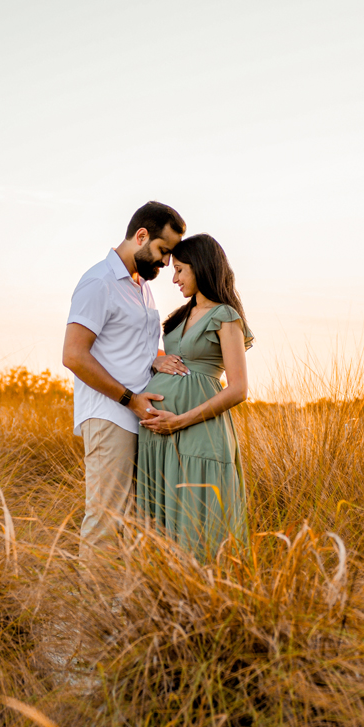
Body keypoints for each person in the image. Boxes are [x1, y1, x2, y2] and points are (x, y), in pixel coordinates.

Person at [62, 201, 189, 558]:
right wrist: (129, 399)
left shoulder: (141, 286)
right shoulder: (99, 282)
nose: (166, 263)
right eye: (163, 251)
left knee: (132, 522)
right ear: (141, 236)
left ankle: (120, 609)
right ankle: (91, 612)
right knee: (106, 519)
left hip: (137, 417)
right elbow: (73, 355)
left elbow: (130, 349)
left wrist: (159, 362)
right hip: (110, 415)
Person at [136, 234, 254, 558]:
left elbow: (239, 388)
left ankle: (203, 596)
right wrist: (155, 359)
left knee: (198, 519)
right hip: (158, 436)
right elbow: (161, 356)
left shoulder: (225, 315)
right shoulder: (179, 317)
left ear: (200, 268)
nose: (174, 279)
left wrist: (181, 421)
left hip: (197, 432)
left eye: (180, 270)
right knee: (161, 517)